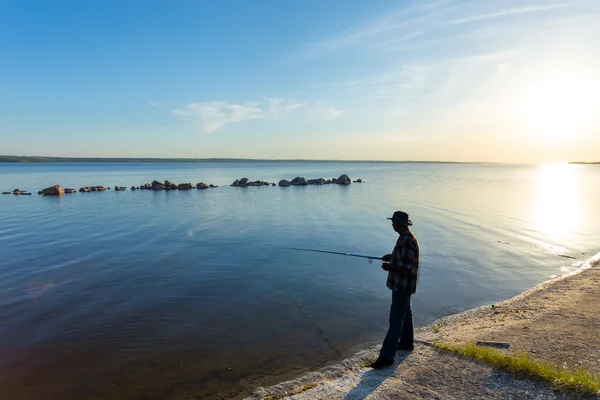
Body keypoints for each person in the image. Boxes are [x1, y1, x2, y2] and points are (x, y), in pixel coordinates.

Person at [370, 210, 420, 369]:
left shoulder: (407, 240)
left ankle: (386, 357)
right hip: (403, 285)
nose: (392, 224)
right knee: (406, 314)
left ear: (400, 224)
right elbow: (404, 258)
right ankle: (406, 343)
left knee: (395, 321)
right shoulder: (404, 237)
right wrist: (391, 256)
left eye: (394, 222)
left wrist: (391, 267)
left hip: (402, 286)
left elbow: (407, 268)